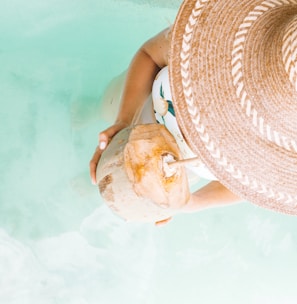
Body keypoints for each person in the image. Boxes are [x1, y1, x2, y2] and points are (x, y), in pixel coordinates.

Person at [89, 27, 242, 225]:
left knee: (122, 186)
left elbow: (248, 189)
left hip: (183, 170)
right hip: (140, 101)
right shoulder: (212, 41)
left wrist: (191, 202)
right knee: (104, 105)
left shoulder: (285, 155)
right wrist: (124, 119)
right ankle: (92, 110)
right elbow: (150, 56)